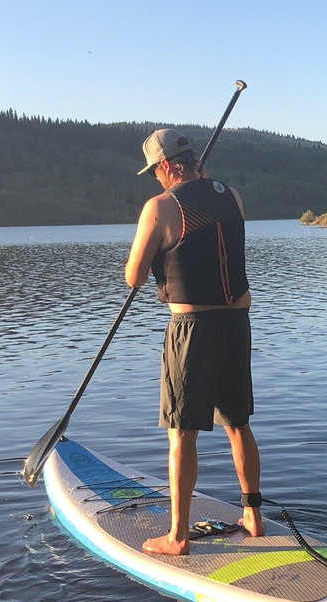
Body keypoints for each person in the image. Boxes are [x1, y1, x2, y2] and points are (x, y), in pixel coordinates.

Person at [124, 128, 265, 555]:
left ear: (167, 166)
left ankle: (178, 537)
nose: (156, 180)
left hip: (193, 331)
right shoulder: (233, 196)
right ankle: (253, 516)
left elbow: (133, 275)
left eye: (156, 172)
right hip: (237, 324)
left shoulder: (160, 207)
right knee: (238, 424)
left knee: (182, 433)